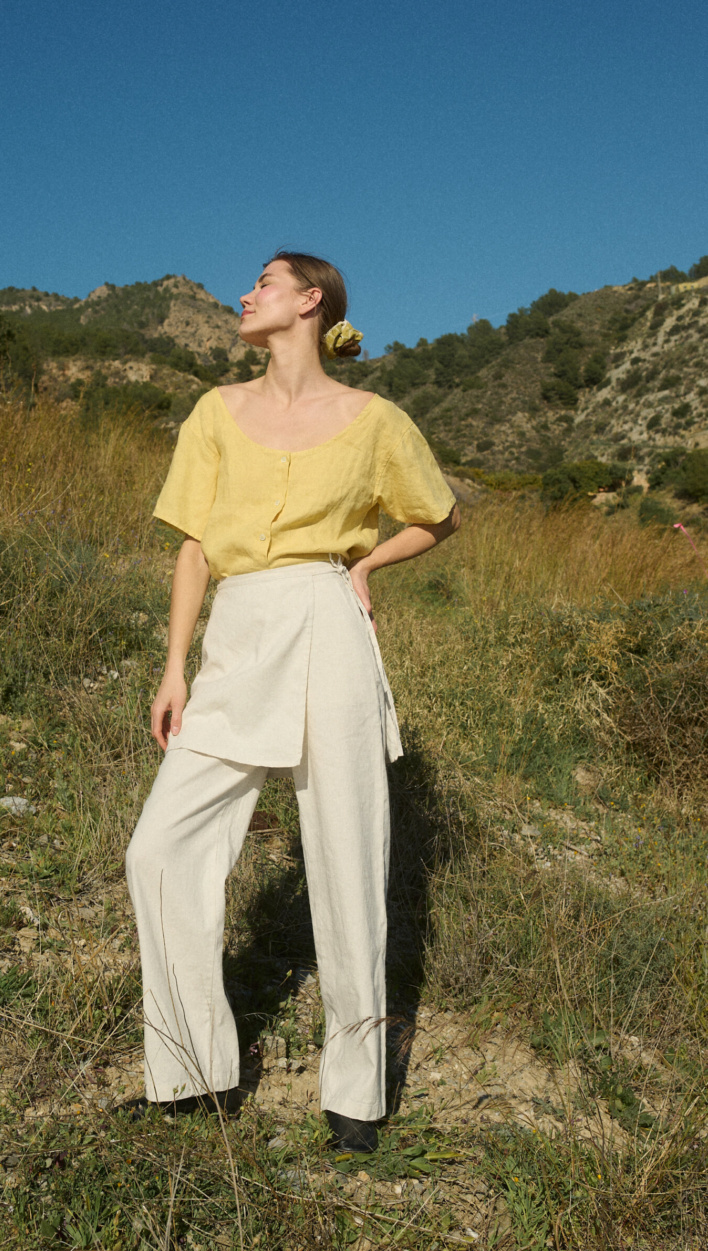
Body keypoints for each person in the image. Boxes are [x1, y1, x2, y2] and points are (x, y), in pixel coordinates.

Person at [125, 251, 459, 1152]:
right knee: (159, 849)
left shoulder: (374, 419)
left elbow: (437, 513)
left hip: (325, 620)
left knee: (348, 854)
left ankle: (355, 1091)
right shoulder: (215, 412)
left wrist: (363, 565)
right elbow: (193, 546)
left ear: (311, 303)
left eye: (264, 282)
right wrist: (174, 667)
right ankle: (194, 1069)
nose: (245, 293)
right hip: (237, 631)